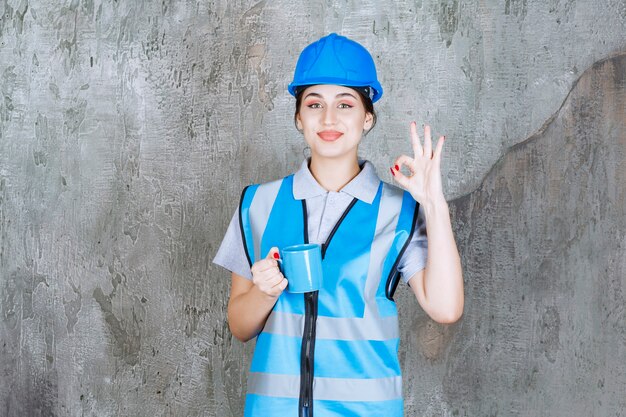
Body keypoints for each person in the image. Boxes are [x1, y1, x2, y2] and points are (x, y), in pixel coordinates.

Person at [213, 33, 464, 417]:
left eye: (345, 104)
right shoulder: (257, 204)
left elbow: (445, 308)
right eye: (314, 104)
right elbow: (239, 325)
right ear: (299, 116)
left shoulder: (399, 211)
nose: (329, 118)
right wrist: (264, 291)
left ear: (367, 117)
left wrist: (433, 203)